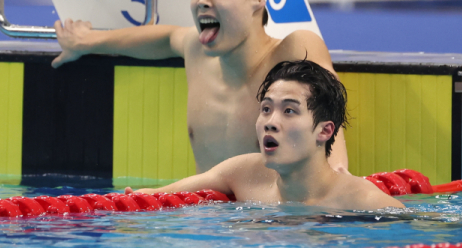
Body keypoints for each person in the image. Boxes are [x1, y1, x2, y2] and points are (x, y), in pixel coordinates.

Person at [51, 0, 349, 174]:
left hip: (273, 224)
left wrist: (337, 171)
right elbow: (164, 38)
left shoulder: (293, 50)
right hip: (205, 222)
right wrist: (87, 42)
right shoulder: (196, 50)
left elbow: (329, 105)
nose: (203, 1)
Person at [125, 60, 404, 210]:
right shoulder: (244, 172)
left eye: (289, 111)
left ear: (324, 131)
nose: (270, 122)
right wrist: (140, 199)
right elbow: (160, 195)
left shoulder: (362, 202)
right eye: (266, 109)